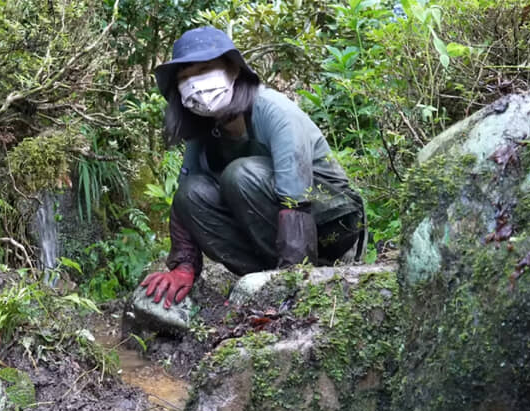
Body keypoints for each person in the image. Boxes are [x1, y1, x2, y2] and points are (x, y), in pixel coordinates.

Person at [140, 26, 366, 308]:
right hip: (272, 234)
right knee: (191, 192)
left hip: (331, 222)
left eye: (203, 70)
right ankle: (261, 278)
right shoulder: (206, 133)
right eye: (184, 77)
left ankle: (294, 276)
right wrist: (183, 264)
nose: (194, 83)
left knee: (240, 174)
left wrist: (291, 283)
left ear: (233, 70)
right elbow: (186, 200)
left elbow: (296, 199)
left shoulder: (274, 110)